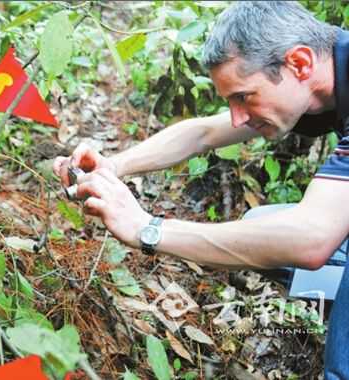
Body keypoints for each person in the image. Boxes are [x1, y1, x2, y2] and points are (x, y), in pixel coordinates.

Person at [53, 2, 348, 378]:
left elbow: (311, 240)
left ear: (301, 64)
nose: (239, 117)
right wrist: (114, 165)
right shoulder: (322, 73)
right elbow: (204, 132)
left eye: (244, 96)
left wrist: (148, 227)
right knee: (263, 226)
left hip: (318, 239)